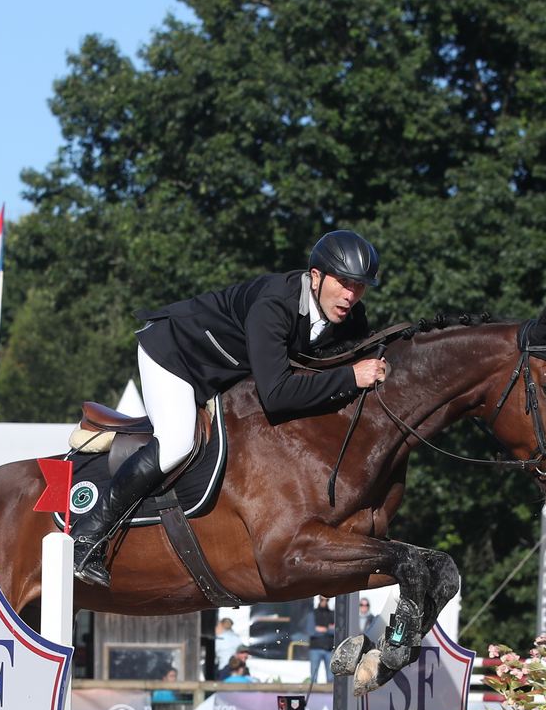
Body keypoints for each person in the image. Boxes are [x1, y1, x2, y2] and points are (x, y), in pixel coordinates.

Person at [74, 230, 388, 586]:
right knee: (177, 443)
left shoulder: (351, 317)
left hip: (223, 374)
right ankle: (88, 536)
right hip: (176, 355)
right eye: (343, 282)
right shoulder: (274, 304)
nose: (351, 295)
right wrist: (350, 377)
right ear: (316, 276)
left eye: (359, 286)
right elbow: (277, 394)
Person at [307, 596, 336, 685]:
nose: (324, 602)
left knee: (331, 678)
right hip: (316, 648)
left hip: (329, 648)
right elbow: (311, 631)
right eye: (322, 600)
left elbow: (336, 631)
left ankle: (330, 694)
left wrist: (322, 629)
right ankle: (313, 693)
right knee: (314, 677)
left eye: (326, 600)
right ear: (319, 600)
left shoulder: (332, 614)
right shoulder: (313, 614)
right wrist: (328, 629)